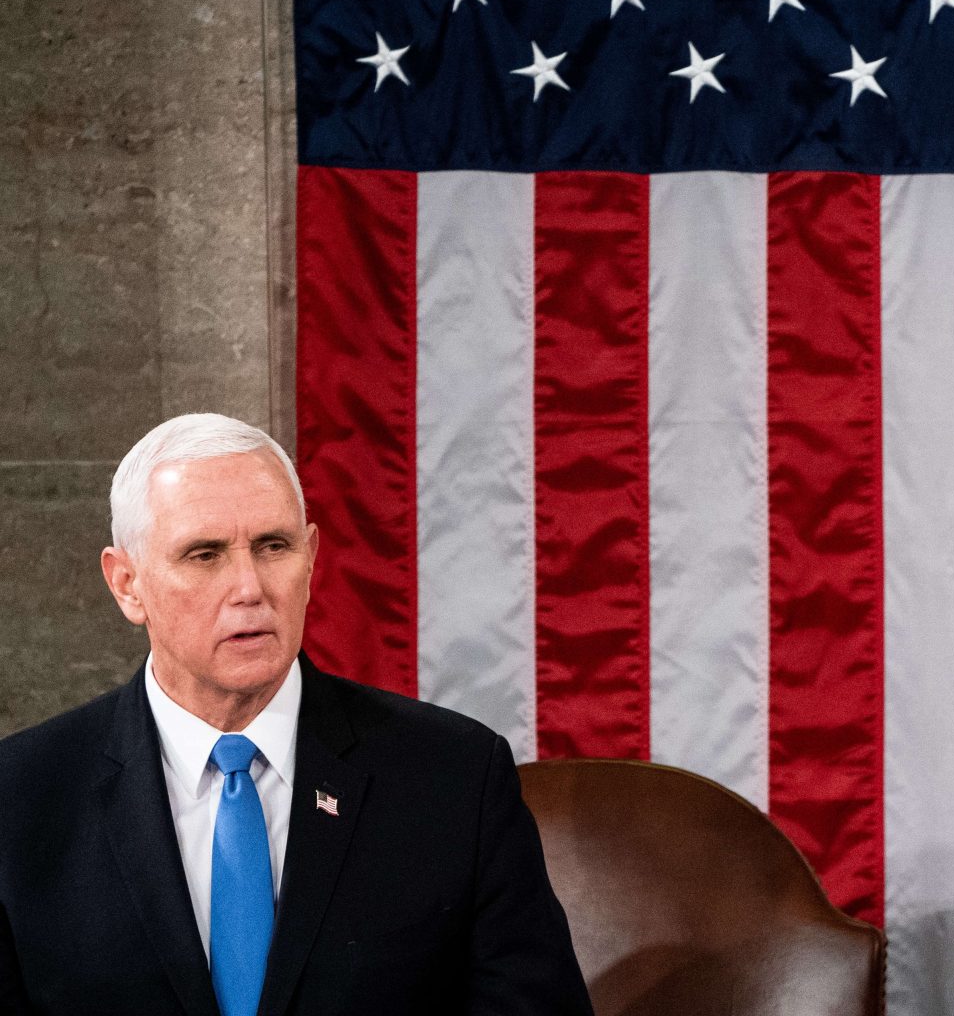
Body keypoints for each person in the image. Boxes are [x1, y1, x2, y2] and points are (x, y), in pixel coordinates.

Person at [0, 414, 592, 1015]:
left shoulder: (455, 778)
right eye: (205, 555)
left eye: (272, 546)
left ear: (310, 557)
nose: (249, 587)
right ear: (127, 584)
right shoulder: (19, 798)